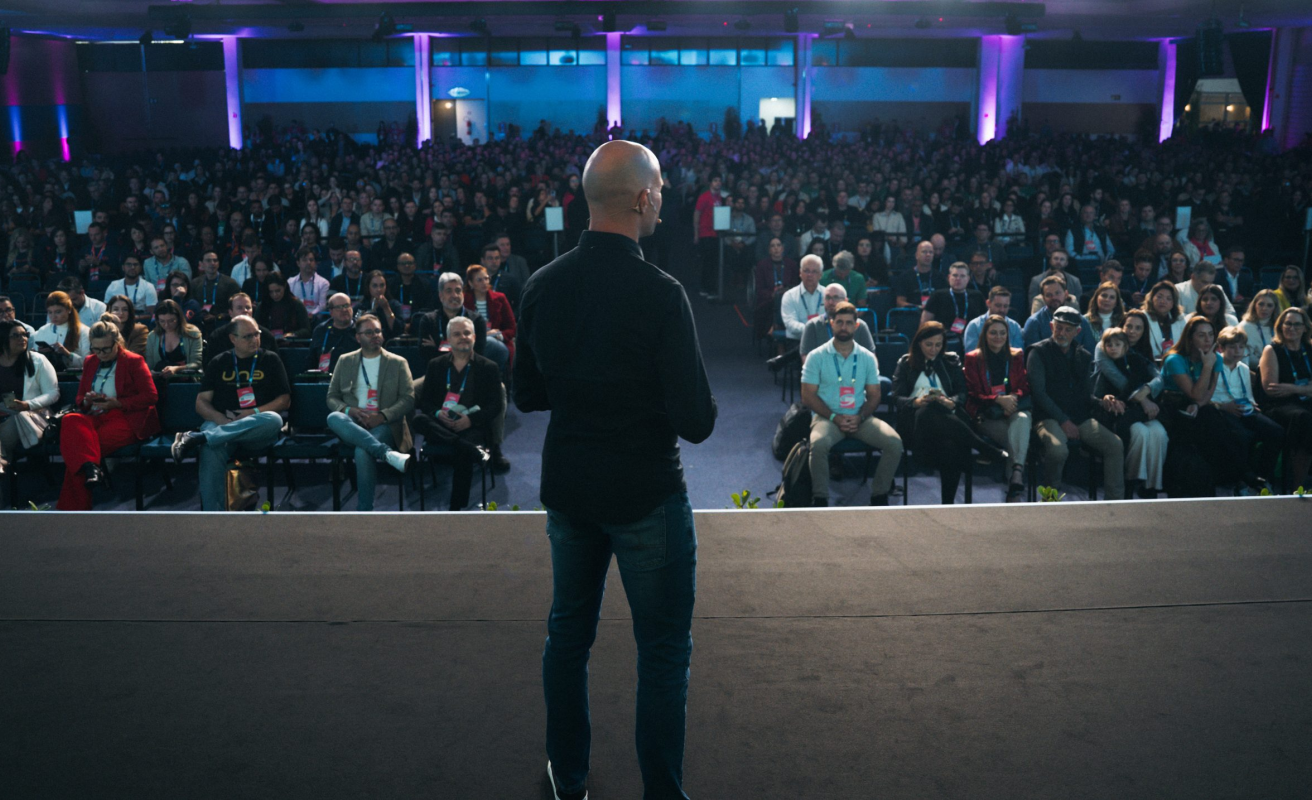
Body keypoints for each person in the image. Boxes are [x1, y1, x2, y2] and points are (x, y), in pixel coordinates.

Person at [513, 140, 716, 800]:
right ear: (642, 198)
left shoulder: (542, 285)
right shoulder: (662, 294)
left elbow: (528, 395)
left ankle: (567, 777)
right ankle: (662, 792)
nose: (663, 199)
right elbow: (697, 421)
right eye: (660, 189)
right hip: (646, 494)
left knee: (568, 637)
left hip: (570, 490)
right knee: (663, 651)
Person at [171, 315, 292, 511]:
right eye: (247, 336)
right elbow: (201, 403)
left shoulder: (270, 359)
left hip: (255, 427)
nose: (254, 340)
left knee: (274, 420)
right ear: (233, 338)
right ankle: (214, 516)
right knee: (211, 448)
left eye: (256, 334)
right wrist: (221, 419)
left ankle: (199, 437)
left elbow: (284, 400)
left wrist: (251, 413)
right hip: (221, 421)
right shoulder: (219, 362)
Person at [800, 301, 903, 505]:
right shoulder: (816, 356)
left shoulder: (867, 358)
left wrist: (861, 416)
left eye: (848, 323)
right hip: (827, 417)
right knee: (818, 445)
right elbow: (807, 396)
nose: (844, 327)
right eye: (839, 322)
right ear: (831, 324)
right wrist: (835, 417)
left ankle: (879, 495)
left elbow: (874, 395)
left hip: (860, 417)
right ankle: (820, 499)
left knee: (894, 443)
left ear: (856, 326)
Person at [892, 321, 1006, 504]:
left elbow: (962, 393)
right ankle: (984, 447)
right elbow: (896, 398)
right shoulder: (906, 363)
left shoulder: (950, 361)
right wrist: (916, 402)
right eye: (929, 344)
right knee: (927, 409)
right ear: (919, 343)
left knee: (951, 448)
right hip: (917, 427)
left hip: (948, 424)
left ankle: (947, 506)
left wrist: (950, 402)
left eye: (938, 345)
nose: (933, 350)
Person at [57, 319, 160, 510]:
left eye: (105, 349)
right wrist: (87, 400)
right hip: (96, 415)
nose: (101, 354)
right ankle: (92, 470)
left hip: (126, 418)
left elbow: (151, 396)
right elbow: (80, 397)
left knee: (78, 451)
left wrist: (118, 403)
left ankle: (72, 510)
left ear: (117, 342)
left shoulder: (133, 361)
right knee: (71, 420)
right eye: (96, 349)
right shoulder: (90, 361)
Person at [1027, 307, 1125, 500]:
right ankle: (1050, 501)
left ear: (1077, 332)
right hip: (1048, 416)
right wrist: (1063, 420)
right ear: (1051, 326)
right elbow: (1039, 394)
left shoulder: (1083, 355)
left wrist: (1102, 402)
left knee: (1114, 445)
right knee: (1058, 450)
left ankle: (1114, 502)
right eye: (1058, 327)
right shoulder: (1037, 352)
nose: (1062, 333)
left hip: (1078, 417)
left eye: (1068, 329)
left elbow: (1085, 396)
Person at [1162, 316, 1267, 492]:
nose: (1208, 339)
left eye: (1211, 334)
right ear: (1190, 338)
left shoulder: (1216, 358)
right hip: (1174, 407)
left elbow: (1208, 393)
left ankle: (1236, 477)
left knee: (1220, 423)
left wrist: (1198, 405)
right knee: (1213, 421)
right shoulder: (1175, 360)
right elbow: (1195, 393)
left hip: (1199, 406)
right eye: (1201, 335)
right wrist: (1207, 366)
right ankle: (1242, 474)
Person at [412, 315, 503, 510]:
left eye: (467, 333)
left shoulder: (489, 367)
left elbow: (495, 405)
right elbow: (425, 402)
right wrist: (438, 413)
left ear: (474, 337)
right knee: (418, 420)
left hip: (472, 425)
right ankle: (469, 449)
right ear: (448, 339)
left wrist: (470, 420)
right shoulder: (436, 365)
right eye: (457, 334)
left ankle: (456, 508)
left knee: (463, 450)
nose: (463, 337)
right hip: (441, 424)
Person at [325, 313, 415, 511]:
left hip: (385, 424)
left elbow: (408, 399)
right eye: (369, 332)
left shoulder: (397, 362)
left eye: (377, 331)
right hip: (352, 423)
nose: (375, 335)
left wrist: (382, 416)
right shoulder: (345, 360)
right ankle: (386, 454)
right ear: (358, 337)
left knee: (362, 450)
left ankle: (364, 510)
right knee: (334, 417)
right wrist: (349, 410)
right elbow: (332, 397)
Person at [1091, 328, 1169, 498]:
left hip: (1141, 409)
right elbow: (1097, 393)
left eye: (1117, 344)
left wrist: (1144, 397)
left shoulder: (1136, 360)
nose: (1112, 348)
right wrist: (1108, 399)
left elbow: (1149, 380)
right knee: (1139, 432)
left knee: (1159, 433)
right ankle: (1130, 480)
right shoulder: (1105, 366)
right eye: (1109, 345)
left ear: (1125, 346)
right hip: (1120, 413)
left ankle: (1151, 486)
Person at [964, 314, 1032, 502]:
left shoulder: (1016, 355)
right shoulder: (973, 358)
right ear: (985, 335)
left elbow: (1023, 386)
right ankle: (1015, 483)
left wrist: (1012, 399)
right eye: (993, 333)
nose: (998, 337)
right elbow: (973, 393)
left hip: (1013, 409)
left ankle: (1015, 476)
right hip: (987, 414)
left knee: (1023, 419)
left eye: (1002, 333)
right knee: (1018, 439)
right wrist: (998, 400)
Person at [1211, 326, 1283, 492]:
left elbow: (1248, 395)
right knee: (1242, 436)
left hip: (1243, 408)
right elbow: (1207, 396)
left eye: (1241, 347)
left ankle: (1262, 477)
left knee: (1276, 432)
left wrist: (1252, 405)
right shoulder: (1214, 365)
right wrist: (1223, 406)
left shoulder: (1243, 368)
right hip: (1222, 409)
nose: (1237, 351)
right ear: (1221, 348)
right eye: (1232, 347)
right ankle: (1242, 479)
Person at [1258, 307, 1312, 492]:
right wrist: (1306, 389)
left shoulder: (1309, 349)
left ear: (1305, 328)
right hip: (1278, 406)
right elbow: (1271, 389)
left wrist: (1293, 388)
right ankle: (1297, 485)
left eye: (1297, 324)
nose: (1292, 328)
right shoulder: (1272, 350)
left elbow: (1284, 388)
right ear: (1280, 326)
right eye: (1288, 323)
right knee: (1304, 419)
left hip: (1302, 401)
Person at [0, 320, 59, 474]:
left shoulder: (38, 360)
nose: (23, 339)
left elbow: (53, 393)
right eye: (16, 336)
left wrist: (28, 404)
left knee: (11, 423)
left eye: (24, 335)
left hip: (28, 414)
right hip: (3, 411)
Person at [799, 283, 875, 362]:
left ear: (846, 301)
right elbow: (807, 361)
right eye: (828, 297)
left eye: (835, 297)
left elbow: (871, 359)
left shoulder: (860, 326)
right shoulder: (812, 326)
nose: (831, 302)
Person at [1022, 276, 1096, 353]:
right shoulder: (1034, 322)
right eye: (1049, 295)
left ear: (1066, 294)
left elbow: (1090, 352)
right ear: (1043, 298)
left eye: (1057, 293)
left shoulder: (1081, 321)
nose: (1054, 298)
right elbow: (1033, 354)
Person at [464, 265, 516, 371]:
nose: (484, 282)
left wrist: (500, 336)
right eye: (479, 280)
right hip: (471, 341)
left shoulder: (500, 298)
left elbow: (511, 327)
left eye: (486, 278)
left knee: (492, 344)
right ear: (470, 283)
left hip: (498, 341)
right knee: (485, 343)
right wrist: (484, 335)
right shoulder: (464, 300)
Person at [920, 262, 985, 345]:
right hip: (943, 340)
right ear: (949, 277)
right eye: (955, 275)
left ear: (968, 279)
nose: (958, 279)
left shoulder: (977, 296)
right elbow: (925, 322)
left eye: (962, 276)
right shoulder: (937, 295)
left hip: (972, 339)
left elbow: (984, 321)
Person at [32, 291, 91, 372]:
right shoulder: (42, 331)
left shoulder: (84, 331)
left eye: (58, 312)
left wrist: (68, 354)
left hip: (74, 377)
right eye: (50, 312)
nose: (53, 316)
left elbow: (88, 363)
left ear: (69, 310)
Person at [753, 236, 799, 338]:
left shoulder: (791, 264)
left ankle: (777, 330)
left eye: (778, 245)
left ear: (783, 248)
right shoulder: (762, 265)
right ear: (769, 250)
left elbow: (795, 285)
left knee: (783, 299)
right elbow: (759, 289)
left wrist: (786, 291)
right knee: (777, 300)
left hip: (789, 298)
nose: (776, 248)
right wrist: (772, 294)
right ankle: (778, 331)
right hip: (768, 300)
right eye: (773, 246)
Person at [146, 298, 205, 375]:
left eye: (171, 321)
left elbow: (196, 363)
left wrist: (177, 369)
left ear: (179, 318)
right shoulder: (152, 336)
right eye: (162, 321)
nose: (166, 325)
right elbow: (150, 365)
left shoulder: (192, 333)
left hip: (185, 377)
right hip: (160, 378)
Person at [306, 293, 359, 373]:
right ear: (331, 312)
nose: (344, 310)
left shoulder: (360, 329)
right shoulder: (321, 330)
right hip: (326, 377)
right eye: (339, 307)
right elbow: (311, 360)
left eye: (346, 305)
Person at [780, 254, 826, 343]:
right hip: (796, 342)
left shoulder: (828, 294)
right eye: (806, 271)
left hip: (822, 342)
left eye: (814, 271)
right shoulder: (789, 295)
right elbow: (790, 324)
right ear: (800, 273)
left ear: (820, 275)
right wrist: (812, 330)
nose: (810, 275)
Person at [962, 286, 1023, 353]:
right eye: (998, 305)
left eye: (1005, 306)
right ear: (988, 303)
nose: (1002, 310)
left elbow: (1018, 354)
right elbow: (972, 355)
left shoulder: (1015, 327)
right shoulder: (974, 326)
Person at [190, 251, 240, 331]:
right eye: (208, 260)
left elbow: (236, 308)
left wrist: (217, 317)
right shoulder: (194, 283)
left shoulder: (230, 283)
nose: (212, 263)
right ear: (201, 264)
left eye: (215, 260)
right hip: (199, 324)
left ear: (218, 264)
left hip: (223, 324)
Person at [254, 273, 312, 341]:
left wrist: (292, 334)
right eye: (271, 292)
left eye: (278, 291)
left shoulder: (296, 304)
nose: (275, 295)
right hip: (268, 344)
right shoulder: (262, 306)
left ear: (284, 287)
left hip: (291, 343)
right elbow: (256, 329)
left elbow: (306, 330)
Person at [387, 251, 437, 329]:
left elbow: (428, 307)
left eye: (409, 263)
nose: (406, 266)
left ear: (415, 265)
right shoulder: (390, 284)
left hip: (418, 323)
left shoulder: (424, 284)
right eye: (403, 263)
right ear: (398, 266)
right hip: (395, 322)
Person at [693, 175, 724, 295]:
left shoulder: (720, 197)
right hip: (705, 232)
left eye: (719, 181)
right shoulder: (704, 196)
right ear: (710, 182)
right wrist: (696, 233)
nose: (718, 183)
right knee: (707, 262)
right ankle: (704, 287)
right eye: (715, 180)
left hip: (716, 233)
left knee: (714, 262)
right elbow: (697, 213)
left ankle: (711, 287)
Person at [1026, 248, 1082, 315]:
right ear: (1050, 261)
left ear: (1066, 263)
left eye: (1062, 259)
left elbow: (1077, 307)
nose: (1058, 262)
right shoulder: (1036, 280)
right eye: (1056, 258)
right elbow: (1032, 306)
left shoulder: (1075, 281)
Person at [1141, 281, 1186, 362]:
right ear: (1152, 298)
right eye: (1159, 297)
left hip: (1175, 361)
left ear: (1173, 303)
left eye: (1168, 299)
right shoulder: (1143, 317)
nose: (1163, 301)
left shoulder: (1180, 318)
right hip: (1151, 362)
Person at [892, 240, 945, 308]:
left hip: (934, 313)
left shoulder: (940, 277)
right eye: (924, 252)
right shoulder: (905, 277)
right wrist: (917, 307)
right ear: (916, 255)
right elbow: (900, 302)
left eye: (931, 252)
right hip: (913, 312)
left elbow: (945, 300)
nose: (928, 255)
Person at [103, 253, 157, 317]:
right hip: (117, 318)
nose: (132, 267)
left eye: (135, 265)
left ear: (140, 268)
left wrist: (134, 318)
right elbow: (107, 310)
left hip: (140, 318)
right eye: (129, 264)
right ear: (123, 267)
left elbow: (151, 314)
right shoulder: (113, 285)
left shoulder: (149, 286)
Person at [1239, 289, 1279, 370]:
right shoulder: (1244, 327)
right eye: (1261, 304)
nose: (1264, 308)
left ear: (1275, 308)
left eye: (1269, 305)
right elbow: (1245, 358)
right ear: (1254, 305)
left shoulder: (1279, 327)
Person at [286, 246, 331, 317]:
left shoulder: (323, 283)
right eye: (304, 260)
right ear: (298, 263)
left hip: (316, 318)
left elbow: (322, 306)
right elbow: (289, 304)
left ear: (315, 262)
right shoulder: (290, 282)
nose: (308, 263)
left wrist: (311, 315)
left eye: (311, 260)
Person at [361, 269, 405, 340]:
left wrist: (386, 308)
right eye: (375, 286)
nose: (379, 289)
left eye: (382, 285)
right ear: (368, 287)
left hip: (389, 342)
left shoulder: (394, 305)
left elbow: (398, 330)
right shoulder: (361, 306)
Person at [1216, 246, 1254, 312]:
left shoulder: (1246, 278)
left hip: (1241, 310)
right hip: (1222, 309)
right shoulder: (1217, 277)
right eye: (1236, 260)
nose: (1239, 263)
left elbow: (1251, 297)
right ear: (1226, 260)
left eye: (1241, 261)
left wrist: (1243, 299)